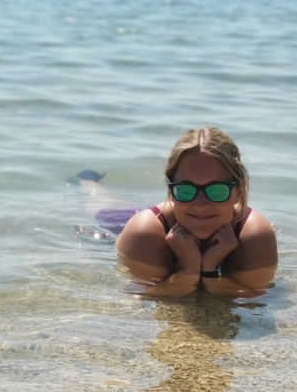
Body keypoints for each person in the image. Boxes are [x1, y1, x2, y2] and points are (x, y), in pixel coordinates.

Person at [111, 127, 277, 298]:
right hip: (115, 224)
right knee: (105, 201)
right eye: (186, 189)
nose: (200, 205)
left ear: (239, 191)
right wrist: (189, 270)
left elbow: (255, 301)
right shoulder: (144, 232)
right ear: (171, 190)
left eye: (216, 190)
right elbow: (140, 299)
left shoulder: (254, 233)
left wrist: (209, 272)